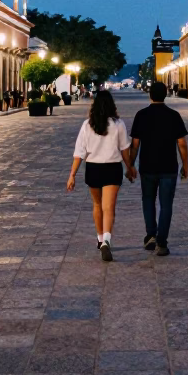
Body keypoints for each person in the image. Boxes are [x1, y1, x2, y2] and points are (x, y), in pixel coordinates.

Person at [67, 89, 135, 262]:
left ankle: (99, 239)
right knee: (109, 207)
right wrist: (130, 167)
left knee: (97, 205)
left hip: (93, 169)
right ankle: (106, 240)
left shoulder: (87, 124)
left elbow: (79, 152)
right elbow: (125, 150)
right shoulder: (118, 124)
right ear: (112, 105)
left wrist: (72, 175)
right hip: (112, 168)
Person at [130, 80, 188, 257]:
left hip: (147, 166)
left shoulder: (141, 115)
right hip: (169, 167)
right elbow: (182, 143)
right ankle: (162, 242)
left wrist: (130, 164)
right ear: (165, 94)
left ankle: (150, 235)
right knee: (166, 204)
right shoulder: (174, 115)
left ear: (150, 95)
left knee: (148, 200)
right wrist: (185, 165)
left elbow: (135, 144)